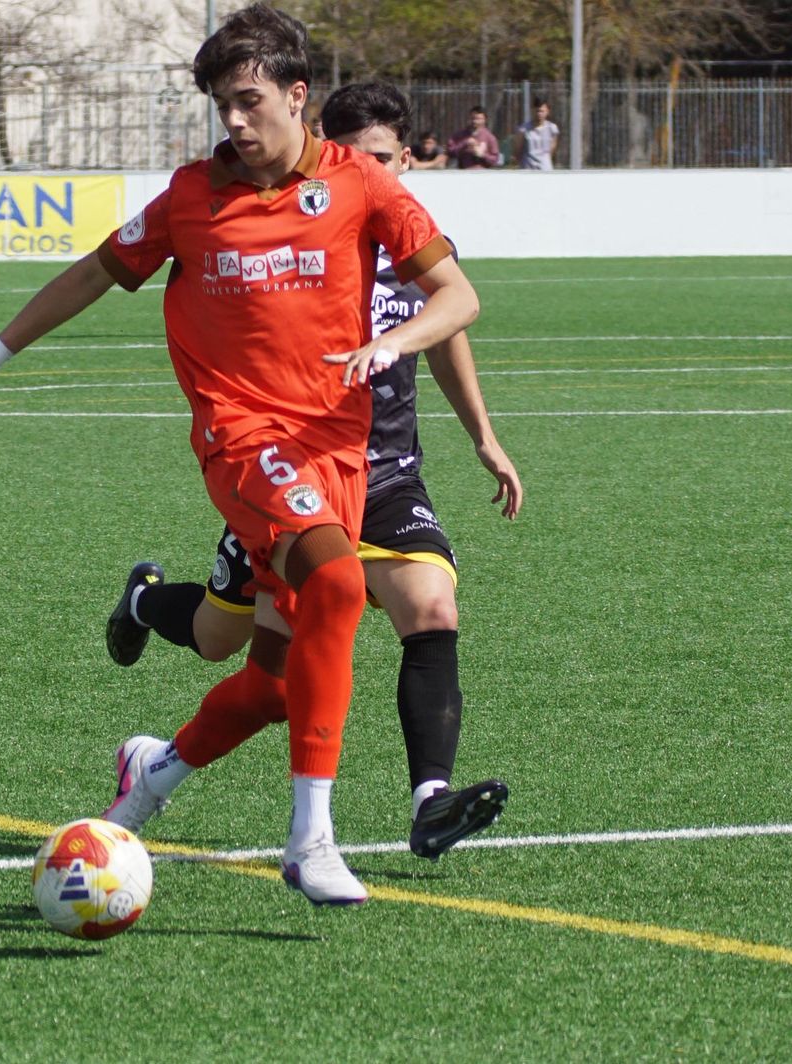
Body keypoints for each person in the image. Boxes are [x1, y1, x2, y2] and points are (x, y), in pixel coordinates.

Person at [0, 4, 479, 905]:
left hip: (338, 450)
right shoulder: (192, 198)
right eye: (221, 106)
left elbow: (457, 295)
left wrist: (396, 343)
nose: (233, 122)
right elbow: (93, 272)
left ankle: (151, 776)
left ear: (297, 96)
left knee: (275, 683)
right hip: (243, 439)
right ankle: (311, 840)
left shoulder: (359, 184)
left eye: (248, 101)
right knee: (342, 586)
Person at [106, 82, 519, 862]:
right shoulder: (301, 240)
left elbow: (449, 332)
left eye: (384, 159)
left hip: (387, 477)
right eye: (356, 158)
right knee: (220, 642)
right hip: (289, 475)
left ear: (405, 162)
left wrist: (483, 437)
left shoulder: (412, 250)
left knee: (432, 610)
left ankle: (430, 800)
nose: (369, 172)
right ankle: (145, 601)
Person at [516, 99, 559, 171]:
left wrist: (545, 160)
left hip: (545, 168)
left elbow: (552, 149)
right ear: (532, 111)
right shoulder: (523, 129)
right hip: (528, 168)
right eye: (537, 111)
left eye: (542, 111)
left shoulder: (552, 128)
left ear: (547, 112)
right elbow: (518, 149)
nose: (539, 113)